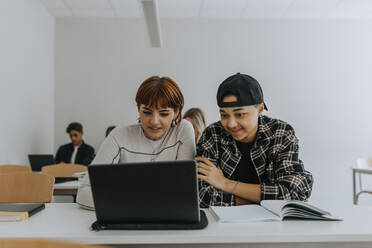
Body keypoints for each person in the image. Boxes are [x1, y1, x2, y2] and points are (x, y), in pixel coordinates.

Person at [76, 76, 196, 209]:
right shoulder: (119, 135)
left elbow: (185, 191)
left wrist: (127, 199)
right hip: (127, 220)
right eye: (147, 112)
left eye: (164, 114)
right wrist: (138, 204)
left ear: (176, 112)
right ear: (138, 109)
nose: (155, 121)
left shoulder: (183, 130)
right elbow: (83, 193)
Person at [196, 73, 313, 207]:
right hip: (223, 225)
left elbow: (294, 191)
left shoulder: (281, 133)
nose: (231, 124)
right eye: (224, 115)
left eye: (240, 114)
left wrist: (225, 184)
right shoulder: (212, 134)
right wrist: (261, 201)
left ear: (260, 110)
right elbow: (200, 195)